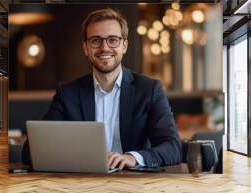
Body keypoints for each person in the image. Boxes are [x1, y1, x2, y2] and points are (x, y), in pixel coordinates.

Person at [22, 8, 182, 170]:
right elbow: (31, 151)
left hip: (135, 184)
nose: (104, 47)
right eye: (95, 40)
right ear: (85, 48)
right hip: (81, 183)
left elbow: (173, 148)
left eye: (113, 40)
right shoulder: (67, 94)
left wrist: (132, 158)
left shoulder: (149, 90)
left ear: (124, 46)